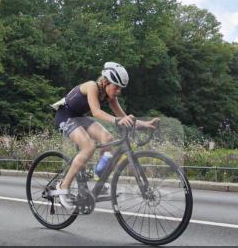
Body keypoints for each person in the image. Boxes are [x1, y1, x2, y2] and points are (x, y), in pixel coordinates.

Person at [50, 62, 158, 210]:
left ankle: (99, 174)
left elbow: (123, 117)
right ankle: (63, 186)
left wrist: (145, 124)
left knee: (108, 138)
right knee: (88, 147)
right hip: (64, 116)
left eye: (121, 88)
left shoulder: (110, 96)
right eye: (117, 87)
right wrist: (117, 121)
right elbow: (96, 112)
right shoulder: (91, 86)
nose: (119, 91)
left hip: (78, 117)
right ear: (106, 82)